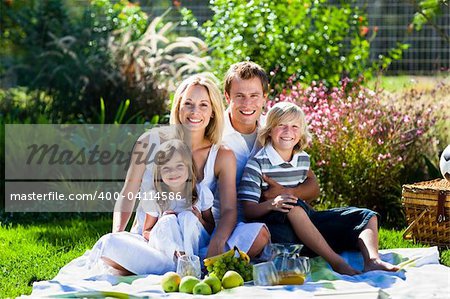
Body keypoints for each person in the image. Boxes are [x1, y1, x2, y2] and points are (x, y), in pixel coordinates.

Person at [100, 74, 268, 276]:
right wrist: (119, 233)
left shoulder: (222, 154)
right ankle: (183, 267)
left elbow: (229, 209)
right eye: (188, 103)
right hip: (153, 242)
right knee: (109, 244)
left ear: (213, 111)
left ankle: (185, 265)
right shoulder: (148, 142)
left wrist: (217, 243)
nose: (195, 111)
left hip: (198, 244)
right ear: (178, 107)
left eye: (203, 105)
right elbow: (128, 193)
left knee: (259, 234)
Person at [238, 102, 400, 275]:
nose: (288, 132)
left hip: (307, 226)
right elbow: (248, 211)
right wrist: (272, 204)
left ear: (301, 134)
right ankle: (336, 262)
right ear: (269, 130)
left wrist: (288, 193)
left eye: (294, 126)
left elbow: (313, 188)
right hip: (280, 233)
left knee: (366, 216)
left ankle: (373, 260)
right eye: (281, 125)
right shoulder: (257, 164)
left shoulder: (302, 160)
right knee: (292, 207)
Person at [142, 139, 214, 262]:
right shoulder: (155, 197)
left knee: (187, 216)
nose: (173, 172)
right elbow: (146, 232)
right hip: (169, 248)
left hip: (195, 243)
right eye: (166, 168)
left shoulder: (201, 192)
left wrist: (199, 218)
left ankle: (190, 261)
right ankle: (180, 258)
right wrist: (162, 223)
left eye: (179, 166)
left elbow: (211, 228)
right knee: (168, 220)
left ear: (189, 168)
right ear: (159, 173)